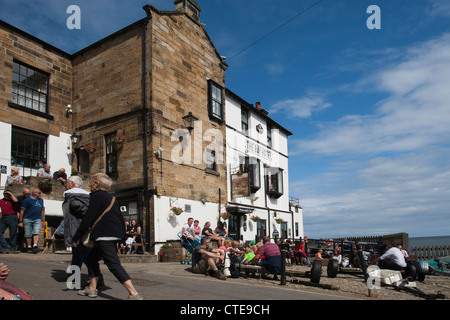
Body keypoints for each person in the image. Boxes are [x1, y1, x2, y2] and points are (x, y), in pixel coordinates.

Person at [71, 173, 143, 300]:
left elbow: (88, 218)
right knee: (92, 259)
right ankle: (92, 289)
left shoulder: (96, 197)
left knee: (113, 264)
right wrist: (122, 238)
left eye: (92, 183)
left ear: (97, 184)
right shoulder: (113, 198)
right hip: (112, 235)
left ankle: (134, 294)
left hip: (104, 235)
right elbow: (121, 219)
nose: (90, 185)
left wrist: (76, 236)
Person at [62, 175, 102, 284]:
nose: (66, 185)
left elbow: (79, 211)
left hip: (78, 231)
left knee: (86, 256)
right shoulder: (87, 196)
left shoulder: (71, 197)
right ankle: (74, 278)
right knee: (77, 254)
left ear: (71, 184)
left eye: (67, 183)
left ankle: (99, 279)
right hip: (83, 229)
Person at [19, 188, 45, 254]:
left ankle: (35, 245)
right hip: (28, 218)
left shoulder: (41, 200)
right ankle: (29, 246)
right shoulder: (27, 200)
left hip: (37, 219)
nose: (40, 194)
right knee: (28, 233)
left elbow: (42, 210)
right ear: (34, 193)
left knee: (36, 232)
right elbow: (22, 210)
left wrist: (42, 220)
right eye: (39, 193)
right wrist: (20, 221)